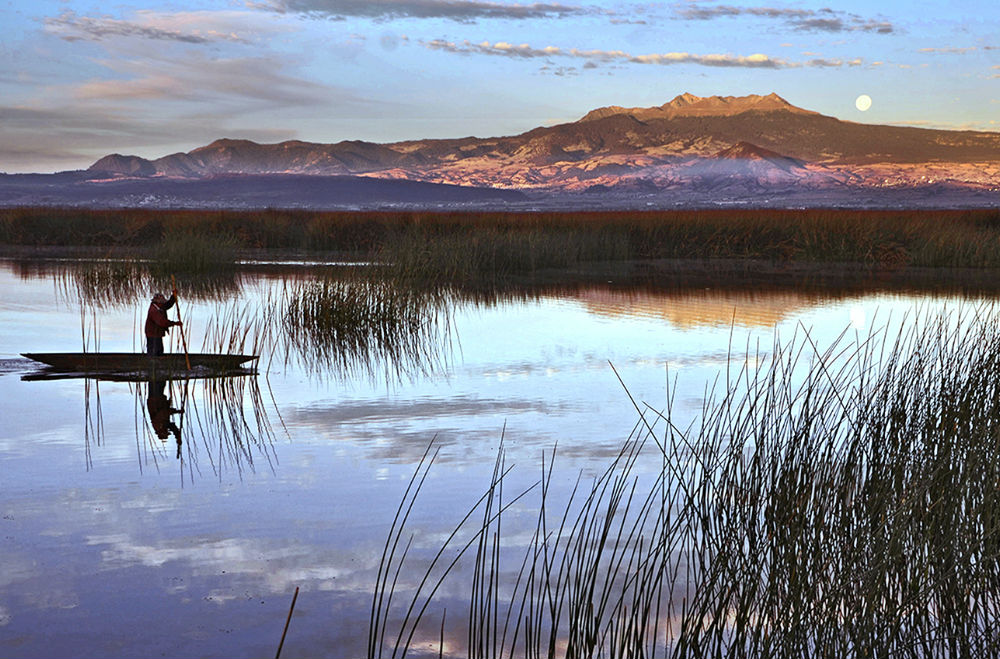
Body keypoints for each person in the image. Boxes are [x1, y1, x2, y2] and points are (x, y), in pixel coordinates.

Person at [145, 290, 182, 357]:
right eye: (162, 302)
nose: (163, 304)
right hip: (153, 334)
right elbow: (163, 322)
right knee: (154, 353)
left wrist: (173, 297)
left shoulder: (159, 306)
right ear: (157, 302)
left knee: (159, 351)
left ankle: (157, 363)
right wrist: (175, 323)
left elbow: (167, 305)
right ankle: (153, 364)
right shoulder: (154, 310)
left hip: (157, 334)